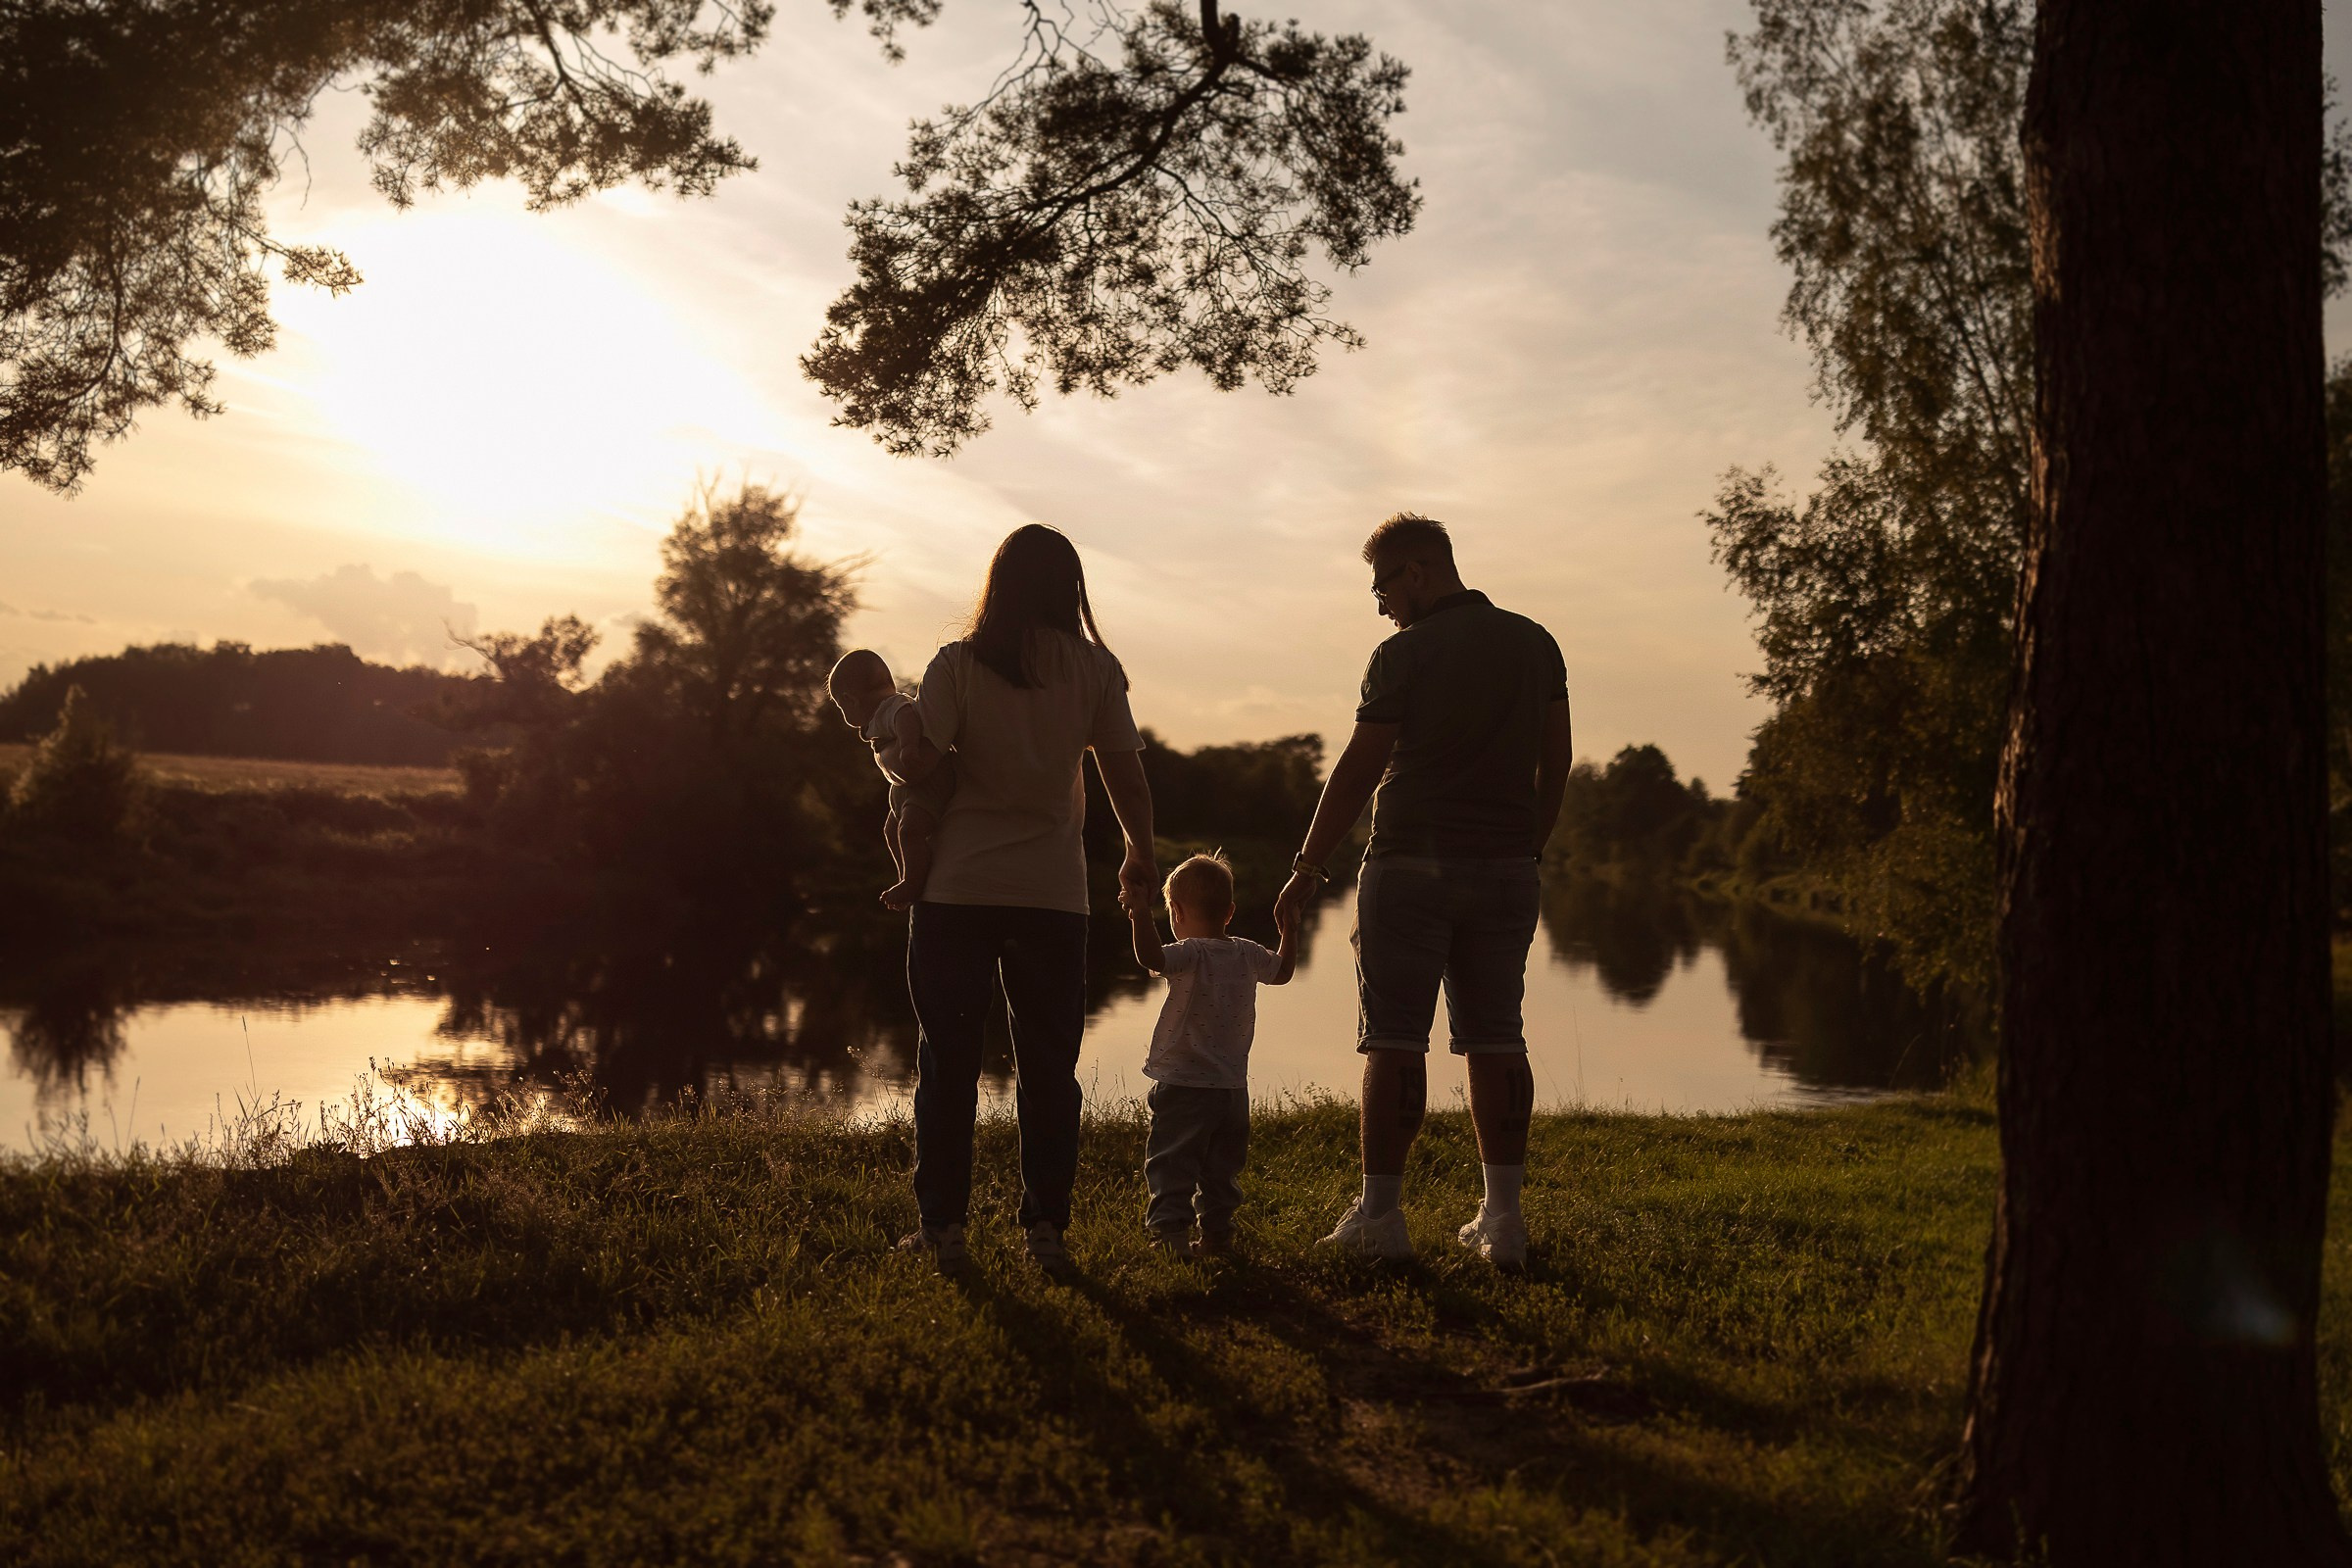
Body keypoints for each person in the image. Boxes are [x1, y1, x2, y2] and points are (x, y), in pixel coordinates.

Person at [1274, 514, 1573, 1269]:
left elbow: (1359, 769)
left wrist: (1307, 868)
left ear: (1417, 571)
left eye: (1382, 586)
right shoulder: (1537, 644)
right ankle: (1503, 1223)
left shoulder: (1400, 654)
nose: (1380, 605)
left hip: (1408, 869)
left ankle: (1381, 1217)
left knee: (1396, 1036)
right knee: (1499, 1034)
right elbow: (1556, 763)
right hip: (1508, 868)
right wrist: (1527, 847)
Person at [886, 524, 1156, 1277]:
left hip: (957, 891)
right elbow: (1125, 776)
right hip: (1052, 897)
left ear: (996, 584)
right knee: (1048, 1069)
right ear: (1071, 587)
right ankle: (1046, 1232)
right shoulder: (1097, 670)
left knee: (948, 1062)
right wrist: (1140, 851)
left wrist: (889, 724)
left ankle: (942, 1230)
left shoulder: (958, 665)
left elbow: (918, 765)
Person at [1124, 851, 1298, 1257]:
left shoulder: (1191, 952)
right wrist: (1290, 928)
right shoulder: (1247, 952)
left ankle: (1171, 1236)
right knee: (1222, 1169)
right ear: (1231, 911)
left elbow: (1150, 957)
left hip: (1184, 1084)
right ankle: (1218, 1235)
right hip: (1231, 1088)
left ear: (1176, 911)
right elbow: (1284, 972)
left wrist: (1138, 915)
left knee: (1172, 1161)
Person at [827, 648, 956, 911]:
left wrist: (908, 747)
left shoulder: (891, 707)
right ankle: (907, 875)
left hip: (925, 783)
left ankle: (913, 881)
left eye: (842, 707)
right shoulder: (880, 714)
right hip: (904, 787)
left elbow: (905, 717)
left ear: (850, 700)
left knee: (909, 831)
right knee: (891, 830)